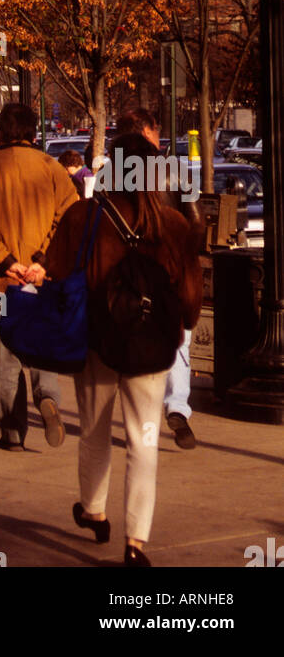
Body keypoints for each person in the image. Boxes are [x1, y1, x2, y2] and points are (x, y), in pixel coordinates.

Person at [46, 132, 202, 566]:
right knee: (144, 439)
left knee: (94, 431)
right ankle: (136, 541)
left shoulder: (84, 216)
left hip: (98, 340)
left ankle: (94, 510)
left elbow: (56, 273)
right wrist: (182, 326)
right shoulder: (172, 225)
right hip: (150, 347)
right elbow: (190, 294)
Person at [0, 102, 78, 449]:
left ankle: (12, 432)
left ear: (0, 131)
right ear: (32, 131)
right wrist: (42, 261)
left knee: (5, 357)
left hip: (1, 281)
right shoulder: (52, 168)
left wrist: (7, 262)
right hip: (41, 280)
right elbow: (70, 218)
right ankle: (48, 399)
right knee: (42, 344)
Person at [116, 107, 200, 449]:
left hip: (130, 272)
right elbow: (195, 219)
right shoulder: (176, 170)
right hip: (171, 269)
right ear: (149, 131)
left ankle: (142, 416)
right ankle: (177, 405)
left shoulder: (114, 173)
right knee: (179, 338)